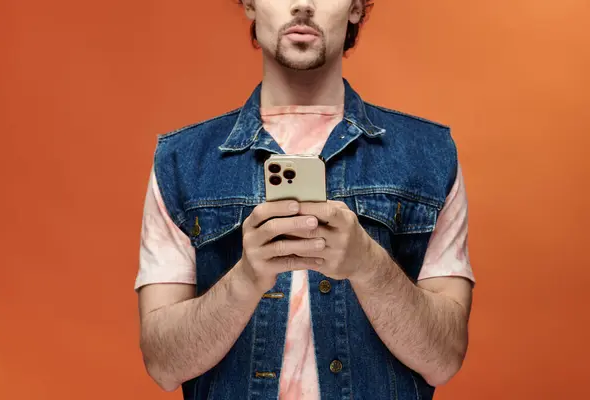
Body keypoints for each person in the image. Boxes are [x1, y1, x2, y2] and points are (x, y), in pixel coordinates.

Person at [135, 1, 475, 399]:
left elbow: (444, 358)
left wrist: (368, 264)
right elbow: (162, 365)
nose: (302, 4)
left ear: (356, 8)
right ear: (249, 4)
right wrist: (247, 279)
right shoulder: (180, 163)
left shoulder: (429, 156)